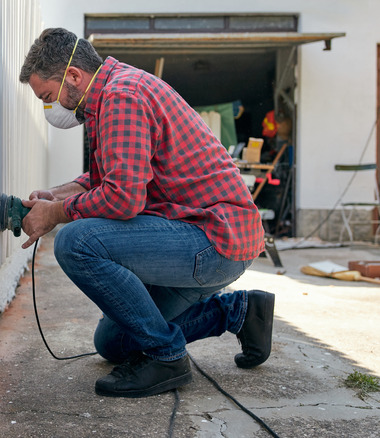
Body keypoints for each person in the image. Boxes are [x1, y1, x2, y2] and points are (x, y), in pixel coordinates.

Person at [17, 28, 275, 398]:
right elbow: (115, 175)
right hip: (202, 236)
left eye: (47, 97)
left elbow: (123, 198)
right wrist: (57, 194)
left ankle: (165, 357)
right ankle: (240, 311)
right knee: (113, 343)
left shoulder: (122, 97)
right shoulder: (115, 90)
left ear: (73, 76)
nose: (50, 108)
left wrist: (55, 213)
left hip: (215, 240)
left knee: (75, 241)